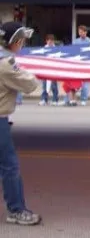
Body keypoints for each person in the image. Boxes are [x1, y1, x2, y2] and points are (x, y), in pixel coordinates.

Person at [0, 22, 42, 226]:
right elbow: (30, 85)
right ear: (15, 41)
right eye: (22, 40)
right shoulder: (5, 64)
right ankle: (16, 210)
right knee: (9, 167)